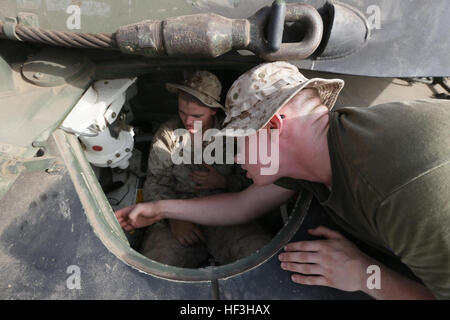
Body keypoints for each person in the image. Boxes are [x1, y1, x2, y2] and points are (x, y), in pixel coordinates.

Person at [116, 62, 450, 299]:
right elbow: (242, 205)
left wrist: (365, 275)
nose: (235, 157)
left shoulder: (400, 183)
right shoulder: (319, 156)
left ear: (274, 127)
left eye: (240, 140)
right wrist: (161, 209)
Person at [138, 70, 272, 268]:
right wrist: (172, 220)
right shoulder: (168, 134)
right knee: (155, 266)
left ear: (213, 111)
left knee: (260, 254)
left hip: (226, 212)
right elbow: (155, 182)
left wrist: (223, 182)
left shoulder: (235, 134)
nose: (187, 121)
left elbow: (257, 184)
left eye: (196, 115)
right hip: (177, 214)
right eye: (182, 112)